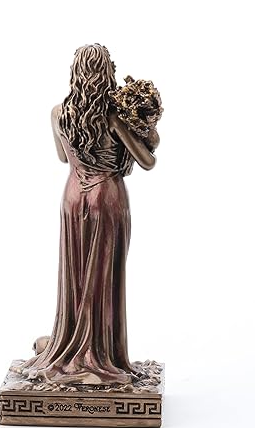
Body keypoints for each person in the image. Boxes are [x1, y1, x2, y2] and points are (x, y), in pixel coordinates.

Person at [16, 44, 159, 386]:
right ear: (107, 73)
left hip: (72, 197)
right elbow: (147, 161)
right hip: (106, 196)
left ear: (75, 73)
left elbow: (63, 158)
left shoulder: (58, 114)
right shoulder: (113, 118)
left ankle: (70, 341)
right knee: (103, 275)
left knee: (78, 273)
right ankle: (98, 351)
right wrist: (145, 128)